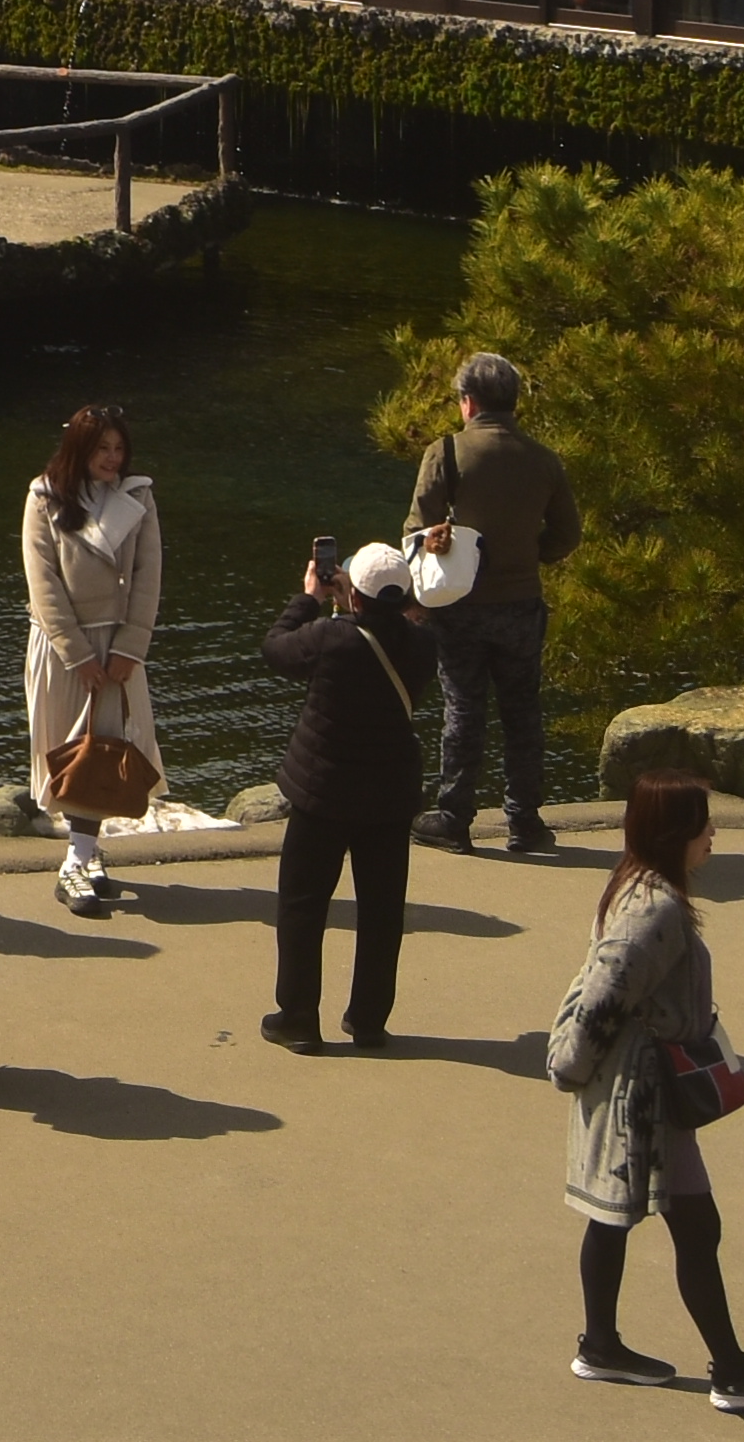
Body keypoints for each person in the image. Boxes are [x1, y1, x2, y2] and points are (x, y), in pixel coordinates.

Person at [551, 773, 744, 1402]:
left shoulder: (636, 885)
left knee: (618, 1221)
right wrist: (570, 1065)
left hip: (637, 1090)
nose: (712, 833)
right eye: (703, 822)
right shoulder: (656, 908)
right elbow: (604, 994)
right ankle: (729, 1368)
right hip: (644, 1095)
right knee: (693, 1227)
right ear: (675, 832)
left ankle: (602, 1345)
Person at [410, 347, 584, 855]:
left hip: (460, 604)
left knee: (463, 708)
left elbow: (416, 530)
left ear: (468, 402)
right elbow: (568, 535)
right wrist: (533, 555)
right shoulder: (543, 459)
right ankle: (524, 821)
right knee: (522, 712)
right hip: (521, 601)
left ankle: (455, 816)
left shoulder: (446, 452)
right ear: (513, 403)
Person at [263, 533, 433, 1051]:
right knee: (382, 911)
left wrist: (311, 597)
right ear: (404, 598)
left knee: (303, 906)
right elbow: (392, 626)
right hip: (389, 796)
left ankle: (297, 1018)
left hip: (324, 793)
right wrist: (353, 605)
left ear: (352, 593)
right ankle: (369, 1018)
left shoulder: (328, 636)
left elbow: (276, 647)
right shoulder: (423, 645)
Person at [21, 402, 162, 918]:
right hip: (65, 648)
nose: (112, 457)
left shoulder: (138, 496)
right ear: (79, 448)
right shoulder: (44, 498)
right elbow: (44, 583)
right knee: (69, 750)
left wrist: (130, 647)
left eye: (118, 448)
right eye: (102, 448)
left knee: (109, 748)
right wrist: (76, 653)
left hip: (118, 643)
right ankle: (80, 855)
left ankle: (80, 857)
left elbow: (148, 574)